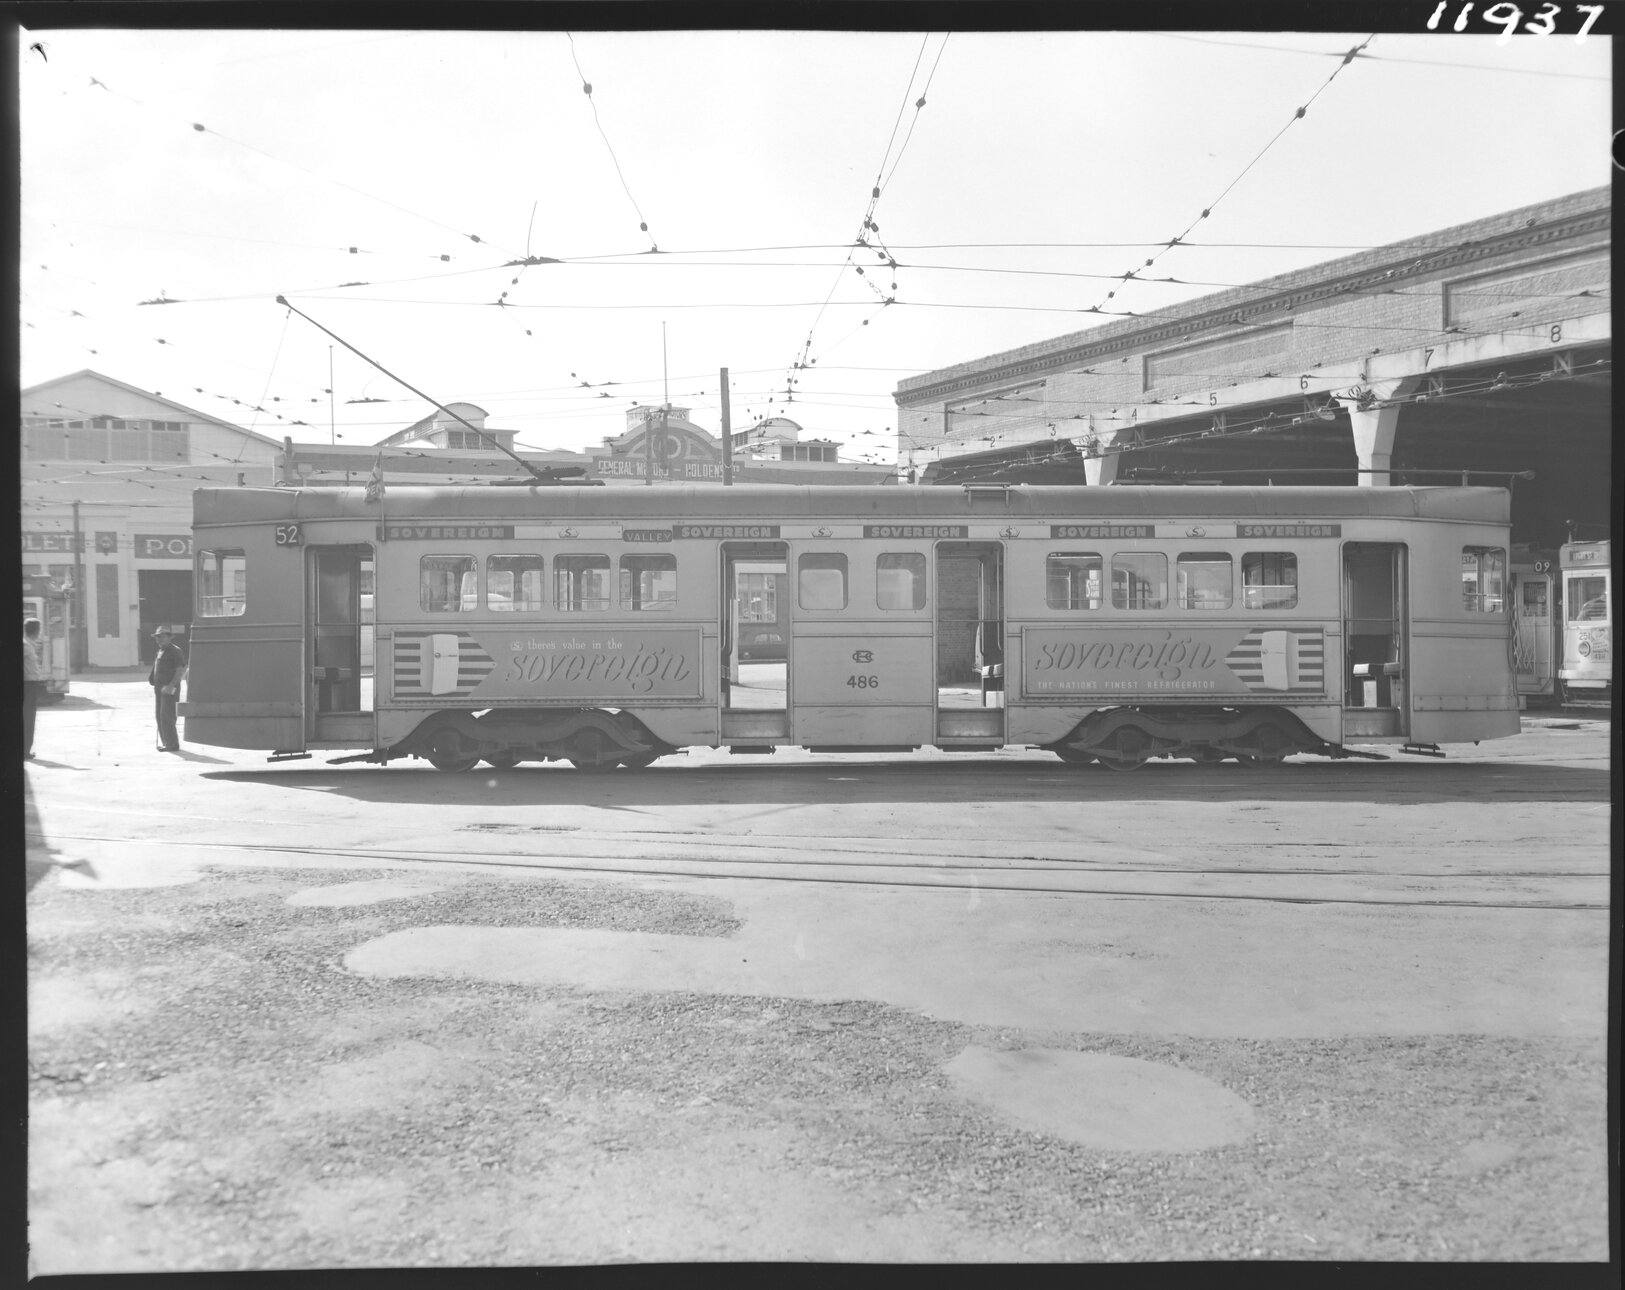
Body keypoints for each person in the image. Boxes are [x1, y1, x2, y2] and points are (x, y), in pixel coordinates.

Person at [149, 626, 186, 752]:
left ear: (169, 638)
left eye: (163, 637)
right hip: (159, 689)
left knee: (167, 716)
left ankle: (172, 744)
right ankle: (166, 742)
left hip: (170, 689)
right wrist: (152, 678)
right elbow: (156, 667)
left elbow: (180, 670)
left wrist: (171, 685)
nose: (160, 639)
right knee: (159, 716)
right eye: (158, 637)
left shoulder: (175, 651)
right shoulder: (160, 651)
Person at [23, 618, 45, 759]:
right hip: (27, 685)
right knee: (28, 718)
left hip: (31, 684)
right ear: (36, 631)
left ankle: (26, 750)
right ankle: (25, 751)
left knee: (29, 717)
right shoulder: (25, 646)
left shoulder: (29, 645)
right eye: (39, 629)